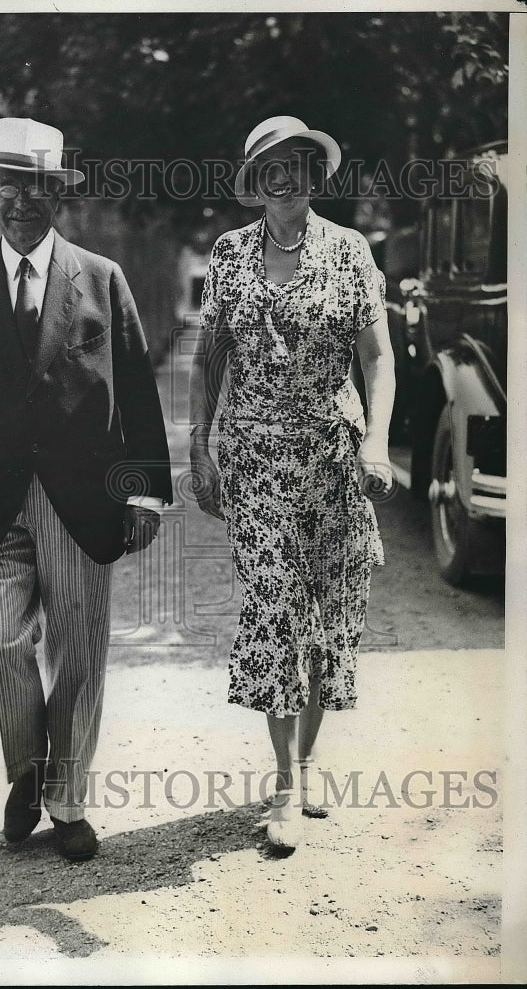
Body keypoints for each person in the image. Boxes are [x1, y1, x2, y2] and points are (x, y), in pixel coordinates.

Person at [0, 117, 172, 861]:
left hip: (81, 499)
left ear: (57, 192)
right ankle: (27, 768)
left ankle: (66, 802)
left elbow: (135, 388)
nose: (22, 202)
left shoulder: (99, 277)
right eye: (8, 188)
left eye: (37, 187)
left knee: (78, 651)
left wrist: (145, 494)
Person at [188, 116, 395, 853]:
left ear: (313, 174)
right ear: (254, 179)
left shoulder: (348, 251)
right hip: (255, 464)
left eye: (297, 164)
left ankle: (305, 768)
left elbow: (377, 359)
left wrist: (375, 441)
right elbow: (207, 357)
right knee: (275, 612)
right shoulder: (228, 253)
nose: (284, 177)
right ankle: (282, 785)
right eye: (269, 166)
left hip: (333, 461)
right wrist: (199, 451)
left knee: (327, 621)